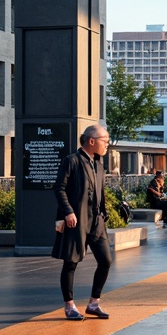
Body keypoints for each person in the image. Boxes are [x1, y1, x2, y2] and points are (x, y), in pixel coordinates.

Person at [52, 124, 113, 321]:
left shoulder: (99, 165)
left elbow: (99, 194)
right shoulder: (72, 161)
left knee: (106, 261)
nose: (107, 145)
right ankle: (69, 306)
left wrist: (104, 214)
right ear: (92, 141)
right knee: (71, 263)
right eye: (105, 140)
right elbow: (59, 188)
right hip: (77, 221)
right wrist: (68, 212)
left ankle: (94, 303)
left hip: (96, 221)